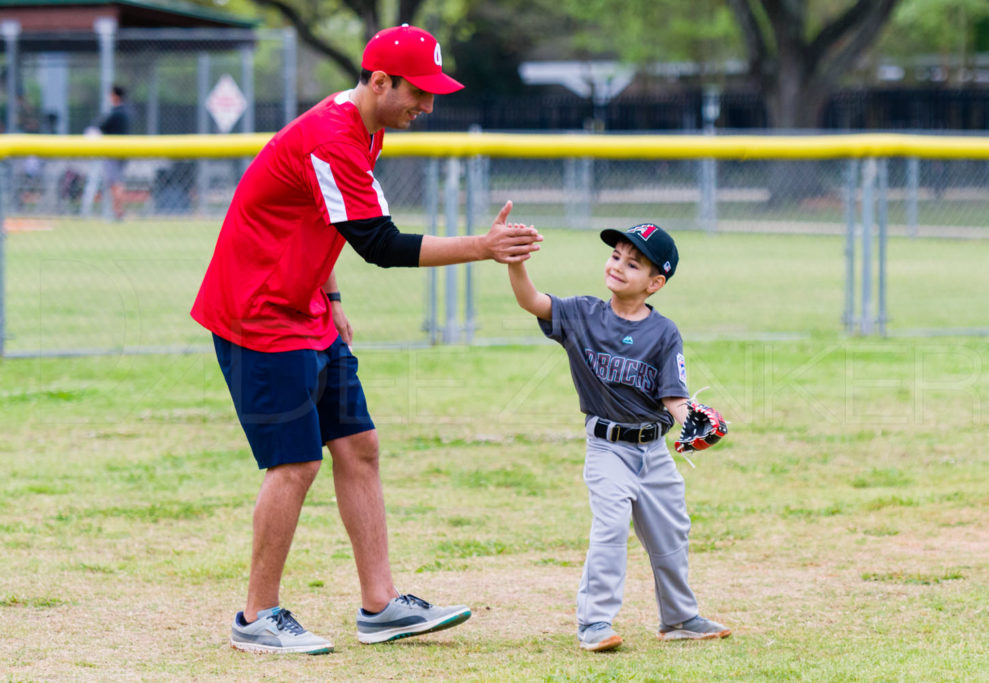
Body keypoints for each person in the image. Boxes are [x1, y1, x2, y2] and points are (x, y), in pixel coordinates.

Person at [191, 24, 542, 655]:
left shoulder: (368, 125)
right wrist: (484, 248)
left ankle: (380, 607)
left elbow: (315, 216)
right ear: (380, 81)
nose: (427, 107)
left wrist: (329, 294)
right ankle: (256, 617)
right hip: (258, 314)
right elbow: (379, 244)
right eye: (419, 93)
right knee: (295, 461)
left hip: (304, 308)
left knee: (360, 446)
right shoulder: (333, 139)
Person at [506, 222, 730, 652]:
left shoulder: (664, 333)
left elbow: (673, 395)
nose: (619, 266)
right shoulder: (581, 314)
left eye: (634, 263)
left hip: (654, 450)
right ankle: (594, 622)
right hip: (608, 447)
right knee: (609, 528)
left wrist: (692, 417)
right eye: (615, 257)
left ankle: (679, 617)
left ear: (655, 283)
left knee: (671, 533)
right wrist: (517, 265)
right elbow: (531, 301)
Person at [94, 85, 131, 219]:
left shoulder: (116, 113)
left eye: (111, 95)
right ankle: (118, 211)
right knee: (118, 182)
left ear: (116, 96)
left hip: (114, 152)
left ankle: (118, 212)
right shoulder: (126, 111)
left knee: (115, 183)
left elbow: (100, 126)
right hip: (123, 152)